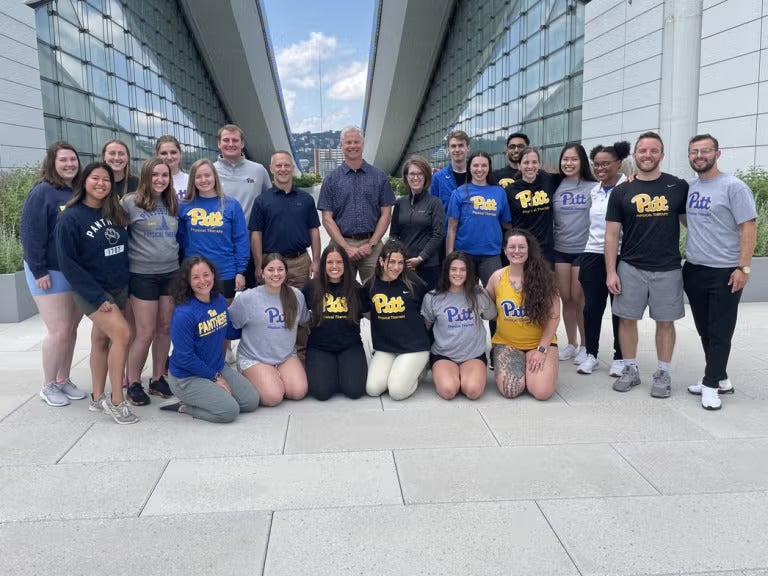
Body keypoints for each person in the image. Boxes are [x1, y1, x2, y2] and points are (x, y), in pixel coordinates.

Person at [605, 131, 688, 398]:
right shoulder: (622, 191)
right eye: (643, 150)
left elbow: (693, 222)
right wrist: (610, 271)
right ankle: (630, 369)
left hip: (668, 267)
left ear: (662, 155)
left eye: (654, 151)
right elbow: (611, 234)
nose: (648, 155)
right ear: (635, 155)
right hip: (630, 266)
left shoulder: (678, 187)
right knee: (627, 319)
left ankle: (663, 372)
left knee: (665, 322)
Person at [55, 162, 138, 424]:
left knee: (102, 341)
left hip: (118, 286)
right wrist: (97, 296)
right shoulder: (70, 217)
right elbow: (68, 263)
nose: (101, 183)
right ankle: (117, 400)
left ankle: (97, 397)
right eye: (95, 178)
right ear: (84, 182)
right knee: (123, 334)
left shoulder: (113, 211)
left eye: (106, 180)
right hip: (92, 290)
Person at [683, 134, 757, 410]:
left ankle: (711, 384)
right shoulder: (690, 187)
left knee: (720, 329)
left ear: (717, 153)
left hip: (725, 270)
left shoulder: (734, 187)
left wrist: (743, 267)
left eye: (704, 151)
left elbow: (748, 227)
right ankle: (721, 377)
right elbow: (686, 219)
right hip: (694, 268)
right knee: (705, 329)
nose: (699, 156)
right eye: (694, 152)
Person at [20, 141, 85, 407]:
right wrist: (39, 270)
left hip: (74, 271)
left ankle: (63, 380)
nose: (70, 164)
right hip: (49, 271)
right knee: (58, 330)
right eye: (63, 160)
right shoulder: (42, 193)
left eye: (73, 159)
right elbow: (30, 234)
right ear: (52, 163)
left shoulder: (78, 191)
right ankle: (48, 385)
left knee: (71, 330)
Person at [163, 256, 260, 422]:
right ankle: (184, 406)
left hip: (216, 367)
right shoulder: (184, 314)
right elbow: (185, 357)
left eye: (206, 275)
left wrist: (256, 327)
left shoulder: (219, 300)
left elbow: (228, 331)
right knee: (229, 411)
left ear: (213, 275)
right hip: (187, 377)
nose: (202, 281)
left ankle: (210, 397)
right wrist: (215, 378)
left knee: (251, 402)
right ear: (187, 281)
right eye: (195, 277)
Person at [121, 157, 179, 405]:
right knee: (144, 332)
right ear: (146, 176)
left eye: (164, 175)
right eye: (155, 175)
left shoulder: (172, 203)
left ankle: (157, 378)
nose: (160, 180)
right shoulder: (130, 203)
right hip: (142, 275)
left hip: (171, 273)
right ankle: (133, 382)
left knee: (165, 328)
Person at [486, 229, 560, 400]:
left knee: (542, 392)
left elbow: (554, 316)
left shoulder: (546, 277)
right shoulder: (497, 277)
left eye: (522, 247)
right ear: (505, 250)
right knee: (511, 390)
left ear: (529, 249)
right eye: (512, 247)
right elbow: (485, 307)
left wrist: (542, 349)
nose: (516, 251)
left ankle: (536, 364)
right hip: (508, 344)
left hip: (539, 344)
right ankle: (522, 364)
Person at [577, 141, 630, 376]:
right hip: (592, 253)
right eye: (596, 164)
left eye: (606, 163)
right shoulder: (594, 191)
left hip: (621, 255)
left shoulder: (629, 187)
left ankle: (620, 356)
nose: (600, 168)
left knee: (619, 308)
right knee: (591, 308)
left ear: (618, 163)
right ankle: (591, 354)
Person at [228, 254, 310, 406]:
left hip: (285, 355)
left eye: (280, 269)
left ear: (286, 272)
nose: (276, 274)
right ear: (262, 273)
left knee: (298, 392)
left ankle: (275, 374)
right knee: (273, 397)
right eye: (270, 270)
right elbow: (230, 323)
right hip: (255, 357)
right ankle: (251, 374)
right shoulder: (247, 299)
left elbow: (306, 320)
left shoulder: (296, 296)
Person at [317, 125, 396, 284]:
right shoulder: (331, 180)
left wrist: (371, 243)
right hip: (341, 245)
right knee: (340, 292)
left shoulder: (379, 177)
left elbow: (386, 215)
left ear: (363, 144)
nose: (352, 146)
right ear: (341, 146)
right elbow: (327, 219)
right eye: (348, 142)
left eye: (356, 142)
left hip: (372, 246)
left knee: (377, 290)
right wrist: (346, 247)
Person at [421, 251, 496, 400]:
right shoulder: (432, 297)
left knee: (473, 391)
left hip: (473, 355)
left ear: (468, 273)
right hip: (444, 355)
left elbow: (492, 316)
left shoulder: (477, 294)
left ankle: (466, 374)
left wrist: (485, 295)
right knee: (448, 391)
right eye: (453, 269)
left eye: (463, 269)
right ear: (446, 271)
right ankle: (451, 374)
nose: (458, 273)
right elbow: (425, 327)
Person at [303, 243, 369, 400]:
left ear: (345, 264)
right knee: (321, 393)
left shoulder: (356, 288)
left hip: (350, 346)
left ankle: (343, 369)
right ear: (323, 264)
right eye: (330, 262)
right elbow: (299, 315)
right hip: (320, 347)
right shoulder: (311, 287)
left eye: (339, 262)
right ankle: (331, 369)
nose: (334, 266)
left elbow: (371, 315)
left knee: (354, 391)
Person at [366, 240, 430, 401]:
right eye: (392, 262)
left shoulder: (415, 284)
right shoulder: (371, 286)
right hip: (386, 348)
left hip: (413, 347)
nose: (396, 267)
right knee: (373, 389)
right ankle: (400, 370)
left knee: (397, 392)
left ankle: (419, 370)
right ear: (381, 261)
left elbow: (428, 311)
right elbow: (366, 312)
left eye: (400, 263)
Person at [177, 158, 249, 301]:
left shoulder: (231, 205)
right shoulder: (184, 206)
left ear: (215, 177)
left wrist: (241, 271)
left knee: (223, 318)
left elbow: (241, 240)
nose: (203, 180)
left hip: (225, 272)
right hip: (194, 273)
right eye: (198, 177)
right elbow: (179, 239)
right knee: (196, 318)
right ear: (193, 180)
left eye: (207, 175)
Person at [249, 150, 320, 288]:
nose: (283, 169)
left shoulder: (306, 199)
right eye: (279, 165)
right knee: (272, 304)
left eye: (287, 165)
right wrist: (259, 266)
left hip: (299, 263)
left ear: (292, 168)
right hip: (271, 263)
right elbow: (256, 235)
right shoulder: (261, 201)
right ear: (271, 169)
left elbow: (314, 231)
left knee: (301, 304)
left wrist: (316, 261)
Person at [552, 143, 596, 366]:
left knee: (579, 299)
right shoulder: (555, 185)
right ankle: (571, 343)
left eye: (573, 159)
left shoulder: (592, 187)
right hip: (561, 249)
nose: (568, 163)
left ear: (582, 162)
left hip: (583, 249)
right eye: (565, 159)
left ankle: (586, 346)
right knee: (566, 298)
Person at [213, 124, 270, 288]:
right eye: (226, 140)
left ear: (242, 143)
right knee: (222, 296)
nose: (230, 144)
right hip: (220, 245)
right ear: (219, 143)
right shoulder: (210, 171)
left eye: (235, 140)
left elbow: (269, 203)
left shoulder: (258, 170)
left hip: (252, 246)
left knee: (254, 295)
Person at [445, 150, 512, 286]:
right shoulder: (459, 193)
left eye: (484, 165)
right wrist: (449, 258)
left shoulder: (499, 192)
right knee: (464, 296)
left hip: (491, 254)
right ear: (469, 168)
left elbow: (507, 225)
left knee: (496, 294)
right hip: (464, 254)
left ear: (489, 168)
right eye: (475, 166)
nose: (479, 169)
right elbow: (451, 229)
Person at [390, 155, 445, 290]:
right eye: (412, 174)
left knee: (428, 306)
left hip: (428, 266)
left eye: (420, 174)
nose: (416, 177)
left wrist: (421, 258)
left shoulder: (434, 203)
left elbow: (438, 235)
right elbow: (394, 234)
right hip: (405, 266)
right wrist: (399, 258)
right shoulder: (400, 203)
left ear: (426, 176)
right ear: (406, 177)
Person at [503, 147, 557, 263]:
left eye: (534, 162)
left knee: (545, 281)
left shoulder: (547, 180)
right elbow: (505, 221)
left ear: (539, 164)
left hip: (546, 249)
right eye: (526, 162)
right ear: (519, 165)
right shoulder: (510, 190)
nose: (530, 166)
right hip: (522, 248)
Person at [430, 130, 470, 218]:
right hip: (446, 230)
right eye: (453, 146)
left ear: (468, 148)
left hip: (471, 231)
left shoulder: (477, 176)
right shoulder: (438, 178)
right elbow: (431, 209)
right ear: (448, 149)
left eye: (461, 145)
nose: (457, 149)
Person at [155, 135, 188, 200]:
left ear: (180, 154)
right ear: (157, 155)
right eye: (164, 153)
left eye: (173, 152)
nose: (169, 157)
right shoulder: (151, 182)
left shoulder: (191, 181)